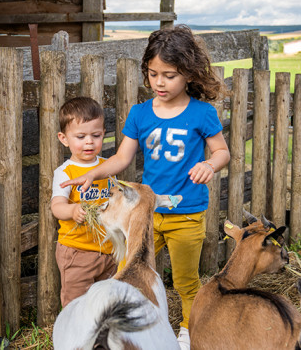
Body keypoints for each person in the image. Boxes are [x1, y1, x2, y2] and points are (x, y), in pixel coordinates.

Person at [61, 25, 230, 349]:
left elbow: (222, 151)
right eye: (153, 74)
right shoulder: (140, 114)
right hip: (145, 216)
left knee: (184, 281)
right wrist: (93, 174)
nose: (160, 82)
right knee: (125, 274)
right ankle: (124, 332)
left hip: (187, 213)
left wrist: (209, 164)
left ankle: (187, 331)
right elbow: (123, 157)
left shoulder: (202, 113)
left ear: (189, 74)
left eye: (169, 75)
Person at [51, 96, 116, 307]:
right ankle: (76, 338)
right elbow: (57, 206)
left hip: (109, 249)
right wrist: (73, 210)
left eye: (95, 135)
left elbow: (115, 196)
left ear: (103, 134)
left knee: (107, 301)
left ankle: (101, 337)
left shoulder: (107, 166)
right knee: (76, 302)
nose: (89, 141)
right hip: (77, 252)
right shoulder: (65, 172)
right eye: (80, 136)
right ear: (64, 138)